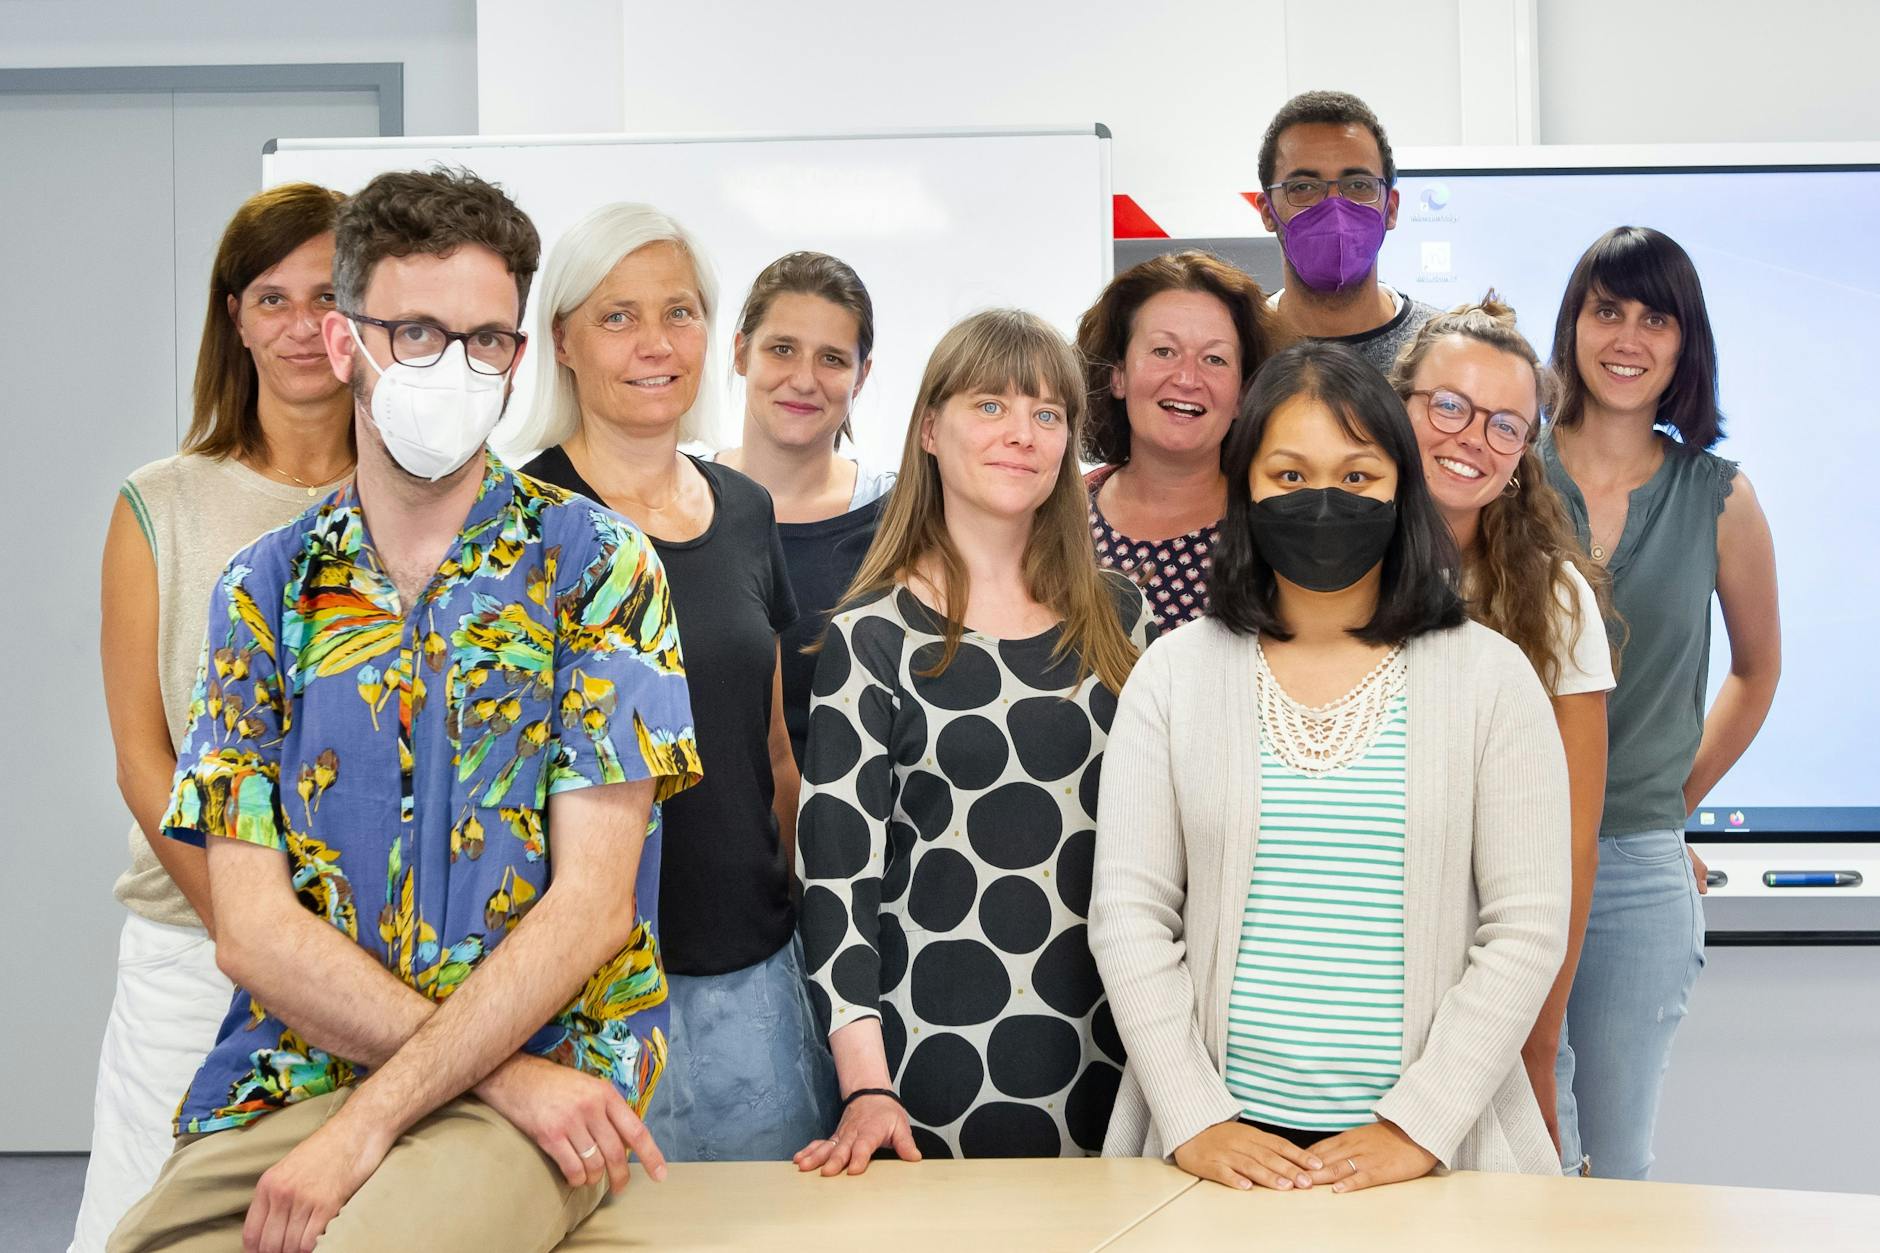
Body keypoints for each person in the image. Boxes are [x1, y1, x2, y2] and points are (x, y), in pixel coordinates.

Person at [109, 168, 701, 1253]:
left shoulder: (598, 569)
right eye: (416, 332)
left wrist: (383, 1118)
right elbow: (248, 928)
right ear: (346, 344)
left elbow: (591, 906)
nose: (454, 367)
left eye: (485, 340)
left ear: (518, 359)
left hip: (553, 1072)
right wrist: (449, 1084)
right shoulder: (264, 589)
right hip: (298, 1068)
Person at [1092, 341, 1570, 1193]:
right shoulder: (1172, 674)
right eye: (1288, 474)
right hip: (1215, 1158)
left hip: (1432, 1159)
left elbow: (1526, 928)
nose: (1322, 501)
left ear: (1400, 490)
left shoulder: (1493, 678)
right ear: (1243, 488)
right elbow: (1128, 914)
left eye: (1356, 476)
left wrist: (1416, 1125)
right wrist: (1197, 1115)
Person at [793, 309, 1155, 1171]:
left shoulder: (1124, 617)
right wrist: (866, 1085)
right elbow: (837, 883)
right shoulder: (873, 637)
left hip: (1124, 1050)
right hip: (936, 1060)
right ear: (928, 428)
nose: (1021, 435)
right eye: (990, 405)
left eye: (1046, 414)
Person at [513, 204, 837, 1161]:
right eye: (617, 317)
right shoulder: (522, 526)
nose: (655, 344)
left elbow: (772, 743)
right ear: (563, 340)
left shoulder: (744, 508)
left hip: (752, 974)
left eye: (680, 313)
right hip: (585, 999)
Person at [74, 182, 355, 1252]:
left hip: (378, 960)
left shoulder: (428, 504)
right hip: (196, 953)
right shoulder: (162, 503)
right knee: (146, 1227)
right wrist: (254, 932)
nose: (297, 325)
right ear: (232, 315)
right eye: (270, 297)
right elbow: (143, 754)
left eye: (324, 294)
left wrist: (324, 960)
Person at [1541, 226, 1779, 1180]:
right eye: (1608, 311)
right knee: (1521, 1152)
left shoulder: (1721, 497)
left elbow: (1756, 672)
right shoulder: (1508, 472)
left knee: (1620, 1161)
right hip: (1503, 854)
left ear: (1686, 343)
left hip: (1639, 867)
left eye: (1655, 318)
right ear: (1575, 324)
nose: (1628, 337)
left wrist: (1667, 803)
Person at [1389, 298, 1617, 1153]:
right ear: (1395, 405)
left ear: (1525, 454)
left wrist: (1536, 1038)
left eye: (1506, 425)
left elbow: (1571, 847)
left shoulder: (1552, 601)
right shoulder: (1315, 576)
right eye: (1449, 405)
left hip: (1495, 994)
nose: (1471, 439)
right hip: (1352, 999)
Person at [715, 252, 894, 765]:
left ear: (861, 377)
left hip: (858, 832)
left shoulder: (901, 520)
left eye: (832, 358)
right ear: (741, 353)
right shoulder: (677, 505)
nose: (803, 379)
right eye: (783, 349)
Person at [1076, 250, 1282, 630]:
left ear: (1242, 394)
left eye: (1215, 359)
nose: (1187, 379)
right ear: (1117, 375)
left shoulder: (1275, 531)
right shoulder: (1058, 516)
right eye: (1163, 351)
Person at [1251, 91, 1438, 373]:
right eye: (1303, 187)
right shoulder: (1236, 349)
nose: (1334, 207)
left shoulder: (1440, 352)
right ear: (1267, 212)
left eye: (1358, 185)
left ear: (1391, 209)